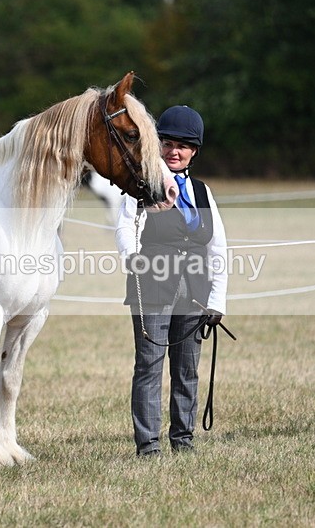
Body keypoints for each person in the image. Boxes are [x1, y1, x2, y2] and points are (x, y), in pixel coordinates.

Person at [115, 105, 228, 456]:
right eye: (167, 143)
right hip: (152, 289)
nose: (173, 151)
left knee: (186, 370)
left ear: (194, 151)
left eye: (183, 145)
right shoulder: (141, 185)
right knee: (149, 367)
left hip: (194, 293)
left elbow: (218, 247)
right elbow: (123, 228)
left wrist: (217, 300)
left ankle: (183, 439)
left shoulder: (203, 191)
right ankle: (148, 445)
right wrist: (131, 256)